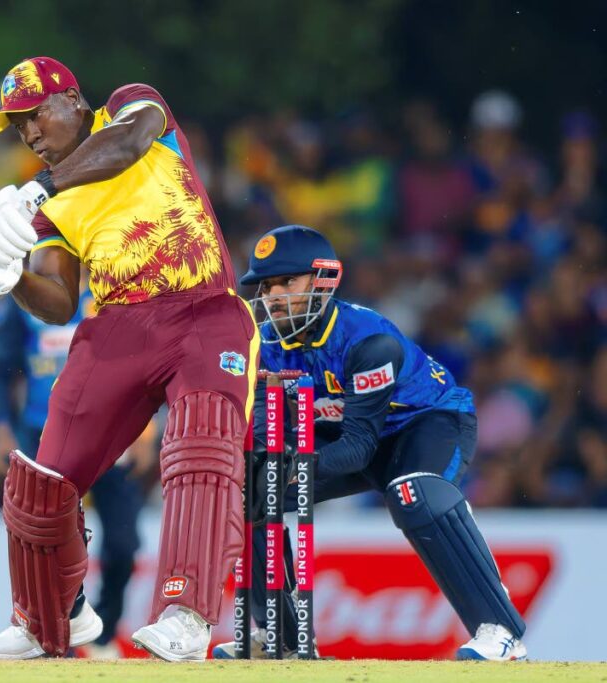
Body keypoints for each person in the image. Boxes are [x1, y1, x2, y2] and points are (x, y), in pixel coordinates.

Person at [0, 56, 258, 661]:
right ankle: (46, 617)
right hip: (118, 325)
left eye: (35, 116)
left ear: (75, 102)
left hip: (203, 308)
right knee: (44, 479)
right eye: (17, 126)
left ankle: (185, 614)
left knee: (201, 446)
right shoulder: (46, 207)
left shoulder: (131, 106)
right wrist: (7, 277)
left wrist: (40, 188)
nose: (29, 134)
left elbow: (130, 144)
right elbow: (58, 303)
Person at [211, 224, 527, 661]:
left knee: (412, 491)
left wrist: (294, 463)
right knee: (252, 487)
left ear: (323, 281)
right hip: (346, 430)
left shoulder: (368, 340)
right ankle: (282, 637)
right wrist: (268, 465)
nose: (273, 296)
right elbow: (268, 431)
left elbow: (360, 448)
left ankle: (500, 629)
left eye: (287, 282)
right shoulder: (264, 345)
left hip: (425, 423)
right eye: (266, 286)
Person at [0, 287, 154, 659]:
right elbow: (1, 369)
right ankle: (46, 635)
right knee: (42, 544)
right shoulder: (28, 296)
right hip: (43, 434)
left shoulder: (116, 287)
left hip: (112, 431)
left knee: (124, 543)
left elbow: (144, 360)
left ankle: (103, 632)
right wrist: (0, 429)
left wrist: (145, 428)